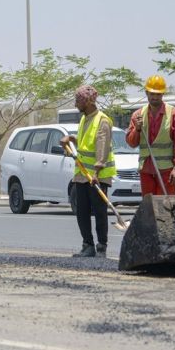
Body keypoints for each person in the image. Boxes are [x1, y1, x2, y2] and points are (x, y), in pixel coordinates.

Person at [59, 85, 116, 258]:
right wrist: (71, 139)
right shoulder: (84, 119)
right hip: (82, 174)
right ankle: (87, 245)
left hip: (98, 176)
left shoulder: (102, 120)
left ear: (87, 102)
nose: (76, 104)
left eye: (78, 101)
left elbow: (102, 149)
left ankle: (101, 246)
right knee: (81, 210)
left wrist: (97, 174)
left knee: (99, 211)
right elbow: (85, 143)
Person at [125, 75, 175, 195]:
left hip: (166, 171)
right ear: (146, 93)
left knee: (166, 206)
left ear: (163, 94)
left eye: (158, 94)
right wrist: (137, 129)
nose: (154, 97)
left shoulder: (174, 114)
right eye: (152, 94)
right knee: (149, 207)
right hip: (146, 170)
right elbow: (131, 143)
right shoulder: (138, 115)